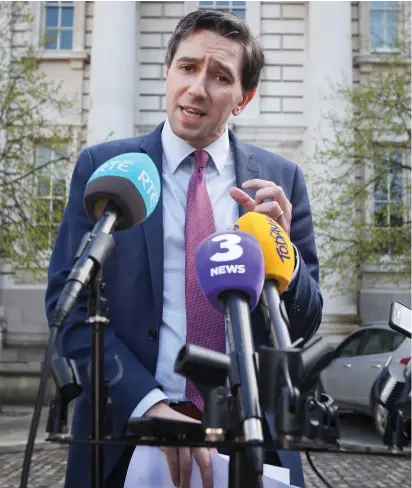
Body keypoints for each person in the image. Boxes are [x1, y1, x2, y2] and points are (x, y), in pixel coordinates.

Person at [45, 9, 322, 488]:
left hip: (250, 439)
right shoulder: (108, 169)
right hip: (130, 436)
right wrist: (149, 404)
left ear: (243, 98)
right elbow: (68, 313)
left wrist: (287, 262)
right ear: (167, 71)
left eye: (220, 77)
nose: (198, 88)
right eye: (188, 68)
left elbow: (304, 322)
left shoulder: (280, 181)